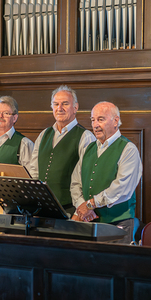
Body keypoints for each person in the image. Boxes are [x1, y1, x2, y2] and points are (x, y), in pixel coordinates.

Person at [70, 101, 142, 244]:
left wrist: (90, 204)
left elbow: (122, 188)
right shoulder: (88, 149)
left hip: (118, 225)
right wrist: (81, 206)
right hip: (89, 223)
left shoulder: (128, 149)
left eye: (100, 119)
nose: (95, 124)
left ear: (115, 121)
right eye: (93, 120)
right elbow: (75, 182)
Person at [29, 85, 95, 216]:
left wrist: (79, 210)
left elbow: (87, 179)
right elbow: (34, 172)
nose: (60, 108)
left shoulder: (85, 136)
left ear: (75, 107)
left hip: (69, 209)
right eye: (56, 104)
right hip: (42, 208)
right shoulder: (44, 135)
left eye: (65, 104)